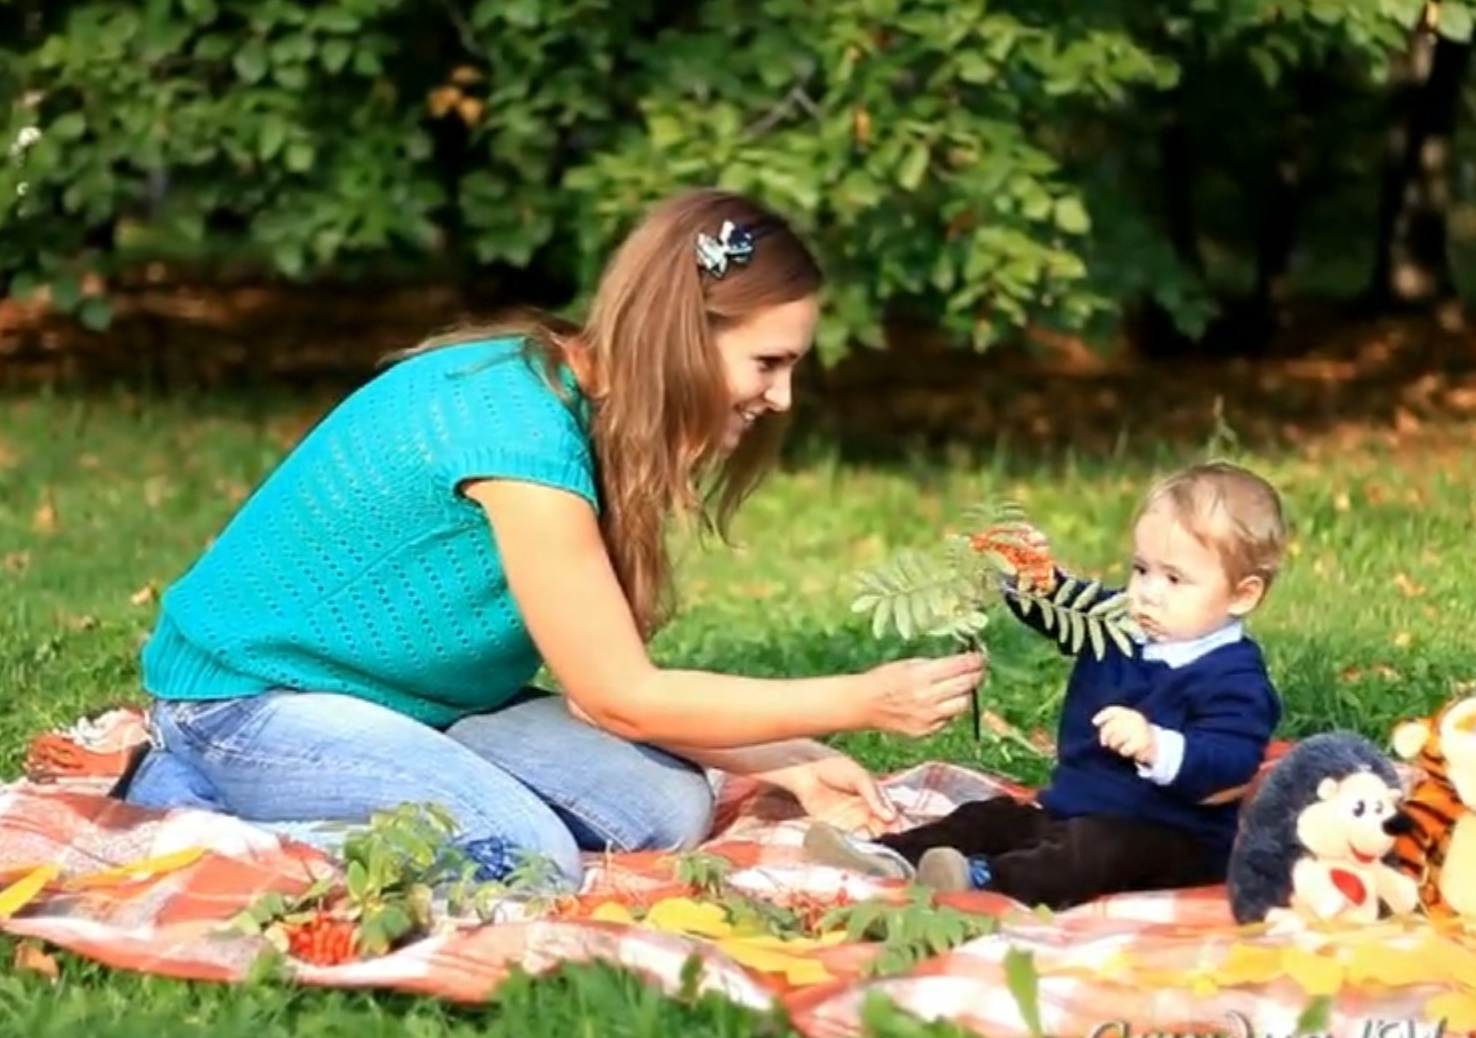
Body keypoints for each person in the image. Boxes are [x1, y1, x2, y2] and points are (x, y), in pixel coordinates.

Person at [116, 187, 988, 892]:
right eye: (769, 363)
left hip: (410, 698)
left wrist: (791, 760)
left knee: (663, 809)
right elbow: (619, 698)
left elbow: (599, 680)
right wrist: (861, 699)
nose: (782, 398)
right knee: (525, 858)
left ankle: (391, 778)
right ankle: (195, 804)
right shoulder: (520, 437)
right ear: (684, 340)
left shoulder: (591, 412)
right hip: (248, 702)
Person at [804, 461, 1288, 908]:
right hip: (1071, 808)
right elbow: (1065, 610)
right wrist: (1028, 574)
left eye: (1175, 579)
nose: (1147, 593)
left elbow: (1230, 764)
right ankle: (890, 856)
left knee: (1086, 853)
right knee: (991, 817)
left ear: (1242, 595)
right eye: (1141, 569)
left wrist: (1155, 746)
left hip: (1169, 836)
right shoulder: (1119, 622)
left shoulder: (1235, 677)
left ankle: (984, 882)